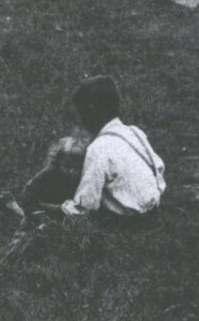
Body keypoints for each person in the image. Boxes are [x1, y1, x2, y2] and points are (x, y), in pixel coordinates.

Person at [61, 75, 166, 219]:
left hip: (126, 222)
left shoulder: (98, 148)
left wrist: (64, 207)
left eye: (81, 113)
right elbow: (159, 169)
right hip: (154, 209)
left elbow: (85, 207)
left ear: (91, 111)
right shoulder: (135, 132)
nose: (81, 120)